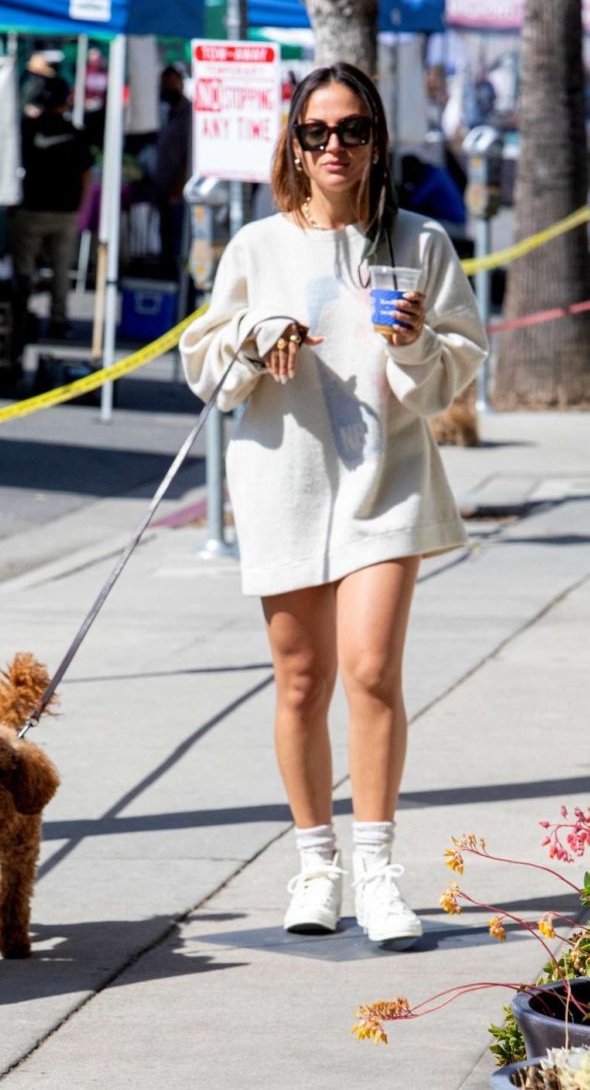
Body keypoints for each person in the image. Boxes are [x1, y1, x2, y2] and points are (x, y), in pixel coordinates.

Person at [179, 63, 488, 948]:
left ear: (376, 138)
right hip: (285, 483)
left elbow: (452, 376)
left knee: (368, 670)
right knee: (301, 679)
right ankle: (316, 864)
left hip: (385, 484)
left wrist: (417, 338)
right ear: (293, 141)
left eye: (352, 130)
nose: (335, 148)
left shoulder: (420, 241)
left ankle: (380, 870)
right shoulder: (257, 247)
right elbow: (209, 373)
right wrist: (252, 333)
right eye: (317, 132)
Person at [13, 77, 92, 339]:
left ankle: (19, 316)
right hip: (66, 210)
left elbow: (12, 168)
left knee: (24, 268)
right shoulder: (76, 133)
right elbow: (86, 174)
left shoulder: (27, 128)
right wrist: (81, 206)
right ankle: (59, 320)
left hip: (31, 208)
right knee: (61, 269)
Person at [152, 65, 192, 277]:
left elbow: (190, 155)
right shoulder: (166, 112)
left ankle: (179, 279)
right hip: (163, 184)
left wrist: (179, 186)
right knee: (166, 235)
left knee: (178, 237)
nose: (167, 88)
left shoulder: (189, 115)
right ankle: (168, 273)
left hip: (179, 188)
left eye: (171, 83)